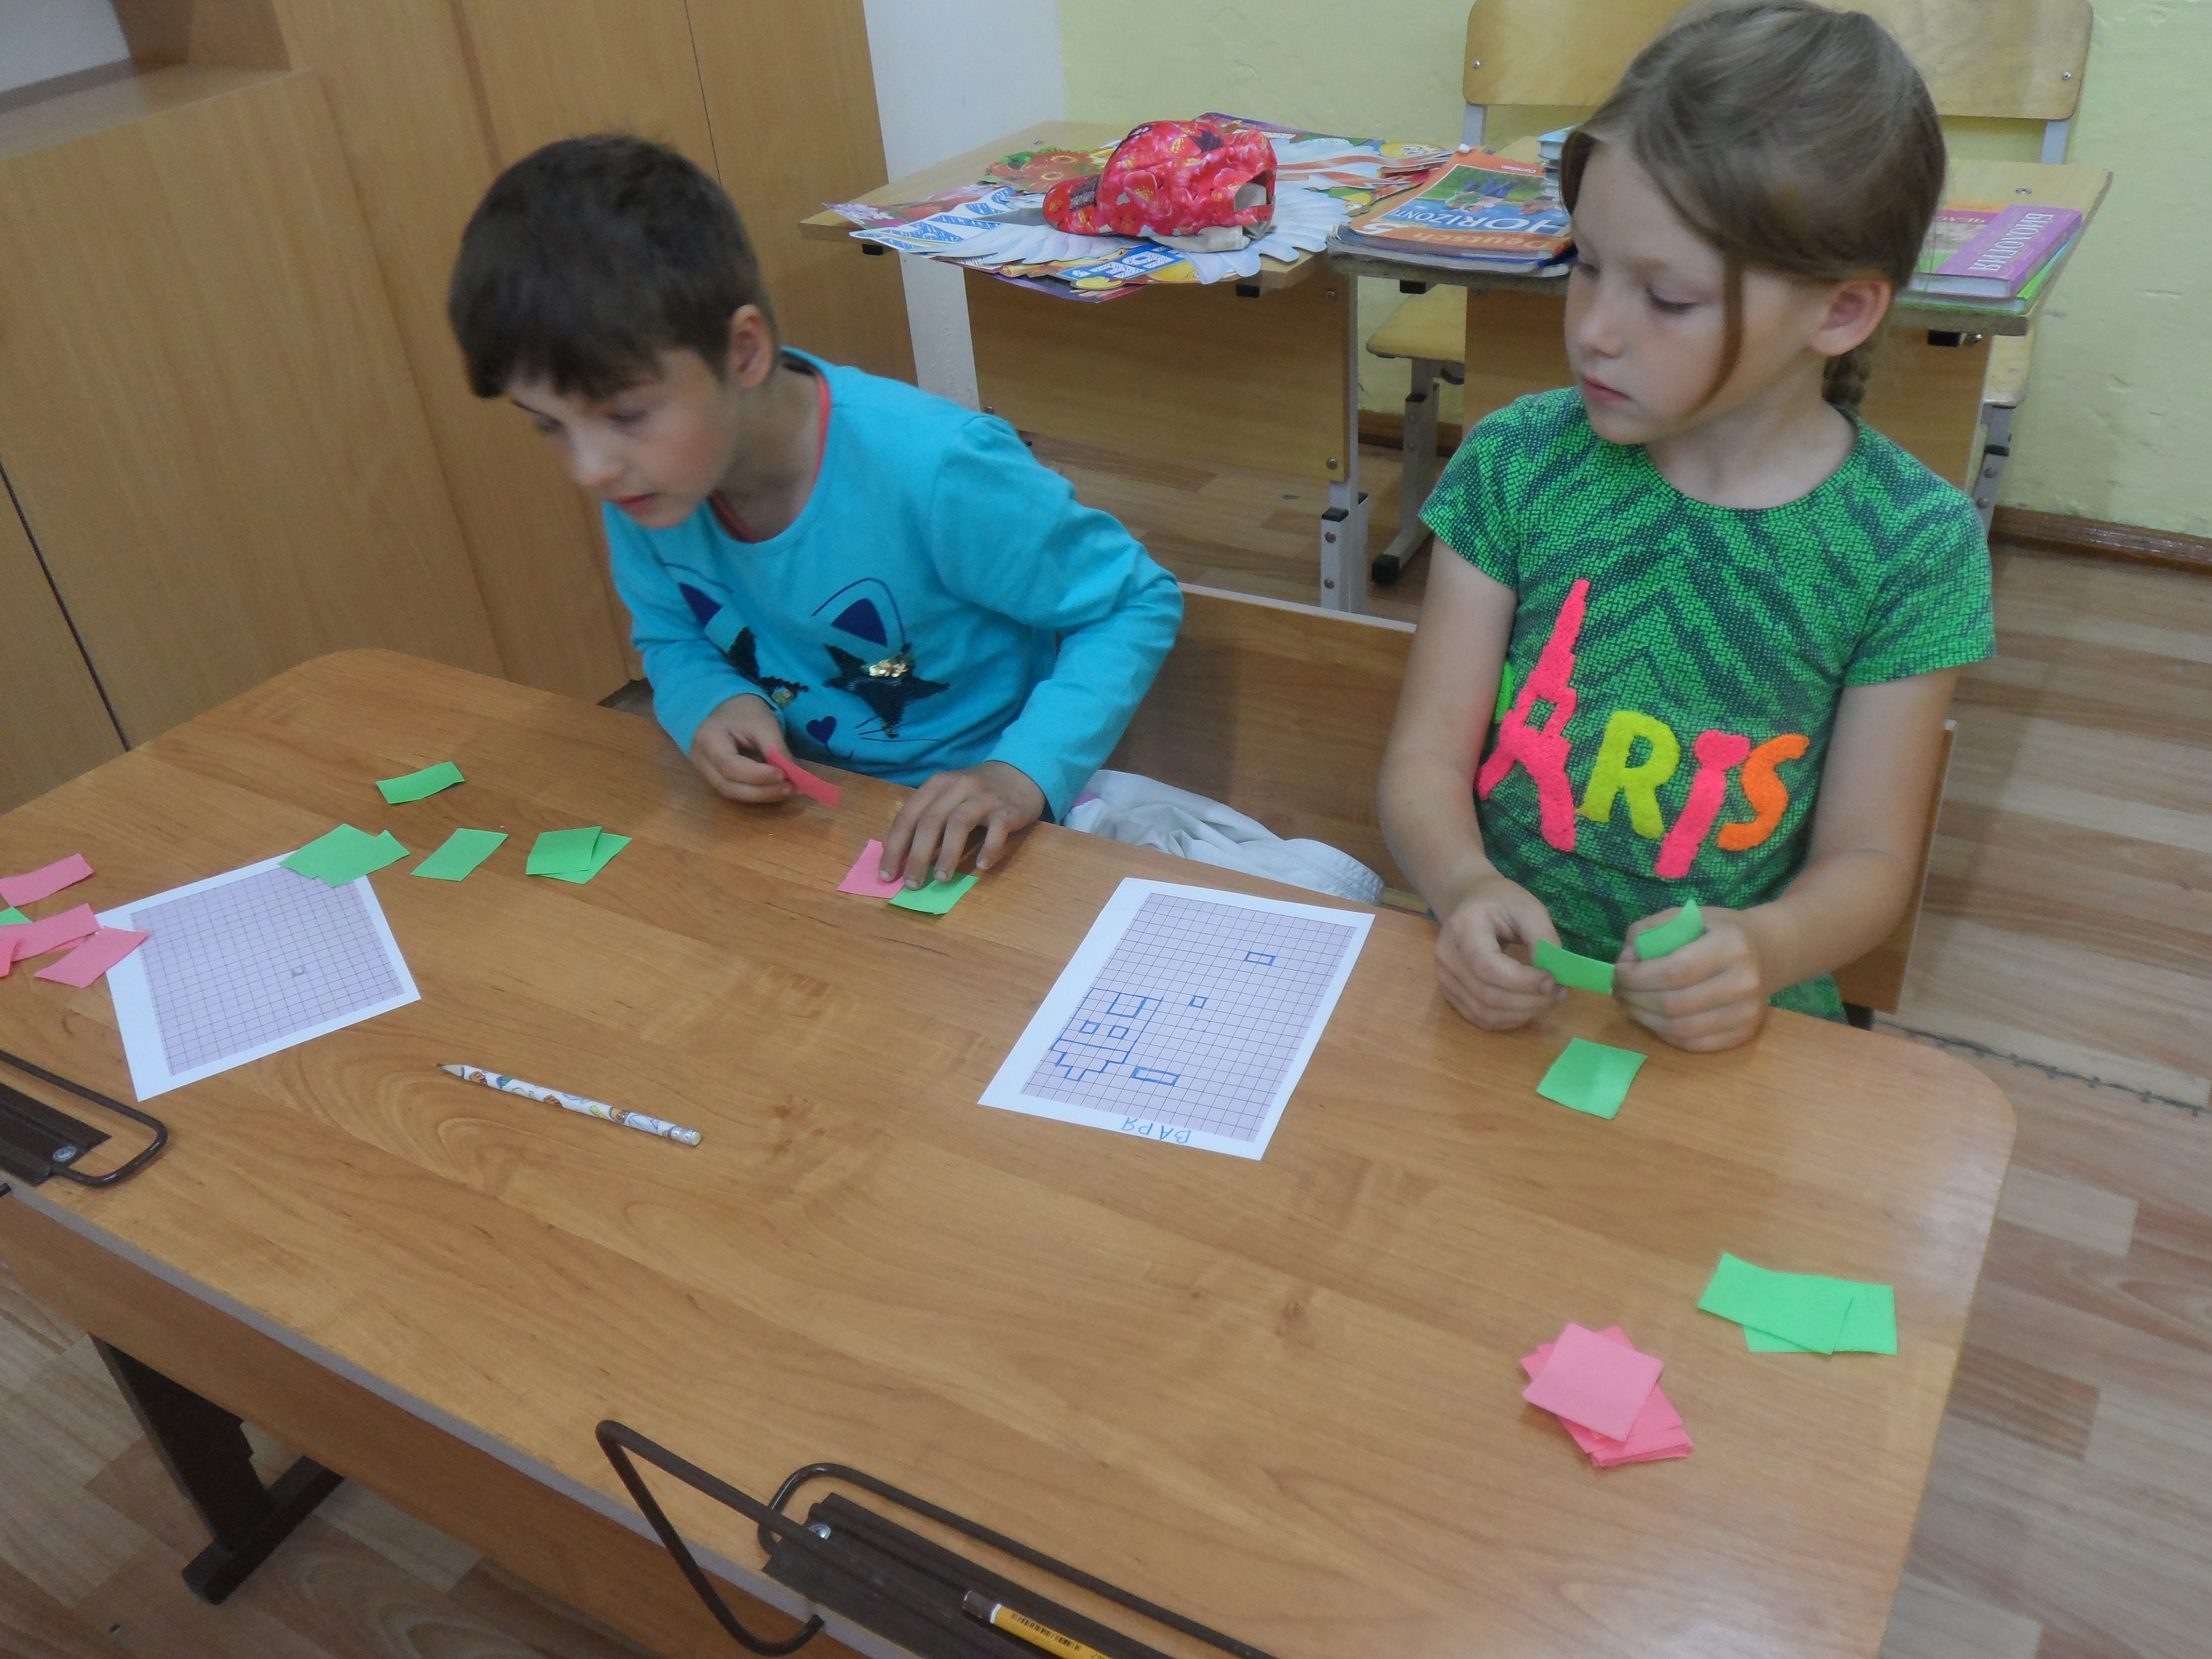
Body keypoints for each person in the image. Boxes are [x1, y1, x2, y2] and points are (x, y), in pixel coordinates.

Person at [1377, 0, 1993, 1051]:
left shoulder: (1912, 545)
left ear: (1841, 311)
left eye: (1667, 299)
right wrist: (1464, 883)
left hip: (1729, 1034)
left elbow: (1870, 863)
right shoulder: (1519, 463)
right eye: (1585, 264)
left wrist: (1767, 947)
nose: (1595, 330)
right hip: (1498, 999)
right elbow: (1424, 763)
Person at [447, 136, 1182, 886]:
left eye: (626, 414)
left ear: (743, 353)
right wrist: (712, 701)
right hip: (808, 823)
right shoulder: (647, 485)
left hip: (989, 828)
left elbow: (1133, 604)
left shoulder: (936, 469)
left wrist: (1020, 773)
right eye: (549, 425)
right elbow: (671, 633)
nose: (588, 469)